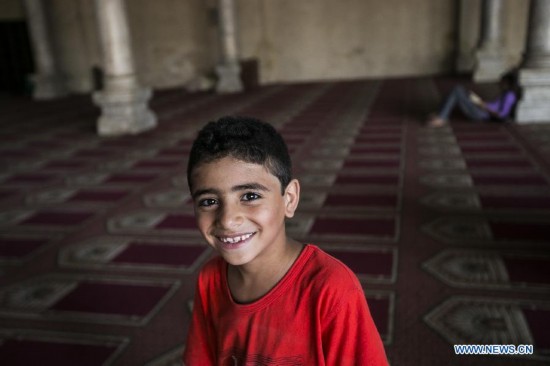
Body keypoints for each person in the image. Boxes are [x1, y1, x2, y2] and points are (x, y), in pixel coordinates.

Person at [183, 116, 388, 365]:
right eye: (209, 202)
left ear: (289, 199)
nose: (227, 220)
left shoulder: (332, 289)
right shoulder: (210, 280)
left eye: (249, 195)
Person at [427, 70, 521, 127]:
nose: (500, 83)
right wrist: (480, 102)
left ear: (508, 84)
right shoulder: (505, 93)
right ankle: (440, 114)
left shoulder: (509, 96)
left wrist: (483, 106)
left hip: (482, 114)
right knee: (459, 89)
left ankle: (441, 118)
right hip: (482, 109)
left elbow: (502, 115)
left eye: (502, 81)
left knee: (457, 91)